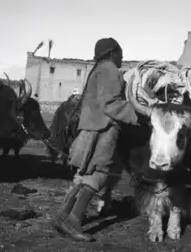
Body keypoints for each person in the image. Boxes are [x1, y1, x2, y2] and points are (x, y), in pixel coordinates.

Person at [52, 37, 139, 242]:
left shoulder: (98, 69)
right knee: (99, 174)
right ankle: (74, 221)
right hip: (104, 130)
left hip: (90, 128)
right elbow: (111, 104)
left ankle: (62, 216)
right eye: (120, 53)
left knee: (84, 173)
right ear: (112, 53)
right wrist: (141, 116)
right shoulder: (110, 70)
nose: (122, 57)